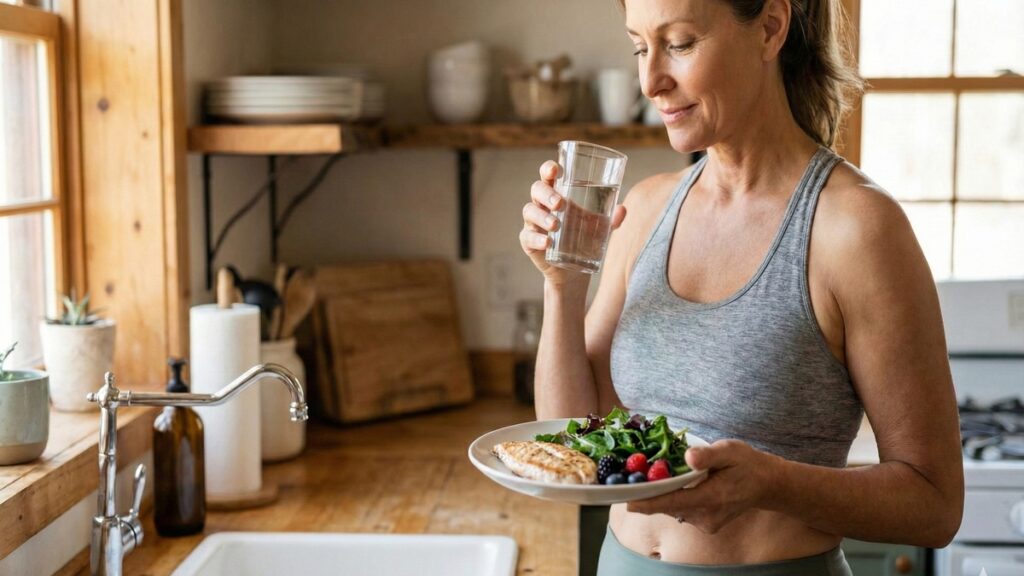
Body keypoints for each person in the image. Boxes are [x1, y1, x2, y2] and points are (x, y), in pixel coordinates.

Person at [519, 0, 965, 574]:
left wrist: (770, 484)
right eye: (638, 46)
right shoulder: (648, 208)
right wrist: (562, 284)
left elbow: (934, 505)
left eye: (679, 44)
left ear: (771, 28)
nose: (651, 80)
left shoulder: (855, 228)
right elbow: (571, 439)